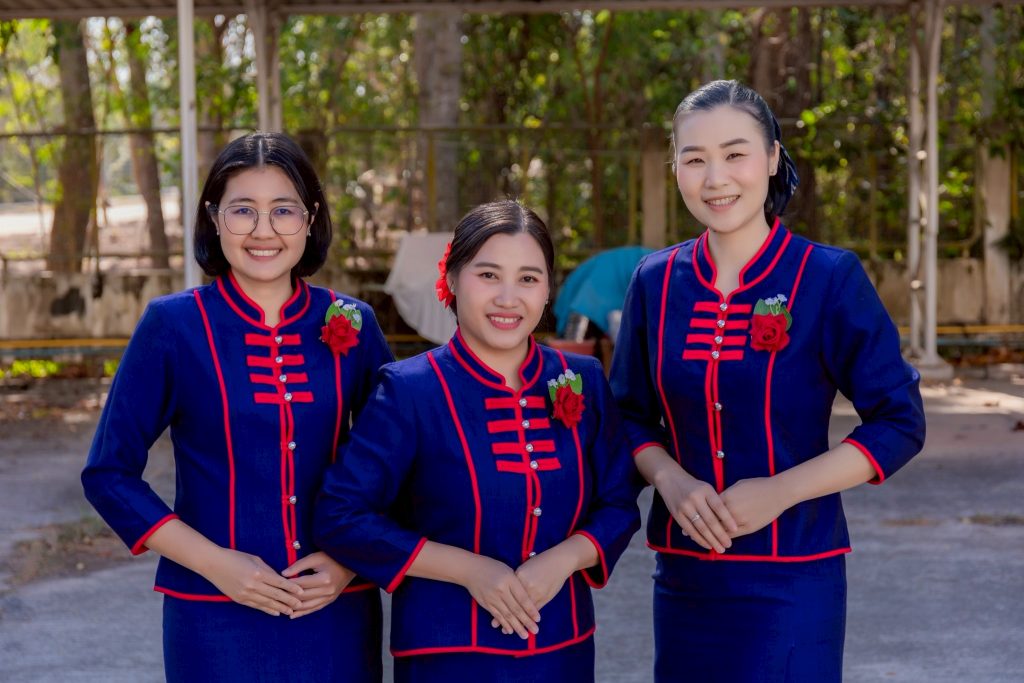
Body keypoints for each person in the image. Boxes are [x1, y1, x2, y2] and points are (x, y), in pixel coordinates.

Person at [609, 80, 927, 682]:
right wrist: (670, 480)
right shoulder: (655, 281)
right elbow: (626, 415)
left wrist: (780, 491)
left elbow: (899, 421)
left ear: (773, 157)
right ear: (675, 167)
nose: (715, 179)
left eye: (735, 154)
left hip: (796, 573)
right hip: (685, 576)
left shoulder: (827, 277)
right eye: (694, 159)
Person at [81, 132, 392, 682]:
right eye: (243, 209)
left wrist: (348, 561)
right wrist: (218, 565)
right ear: (214, 218)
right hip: (211, 615)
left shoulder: (354, 323)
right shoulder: (172, 326)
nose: (263, 230)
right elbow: (108, 473)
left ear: (310, 220)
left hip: (335, 609)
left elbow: (399, 462)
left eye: (284, 210)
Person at [314, 200, 640, 682]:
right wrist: (470, 570)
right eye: (488, 275)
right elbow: (341, 515)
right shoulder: (409, 389)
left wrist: (562, 560)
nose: (508, 298)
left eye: (528, 278)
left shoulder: (583, 378)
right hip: (447, 654)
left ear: (547, 290)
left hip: (561, 649)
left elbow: (619, 503)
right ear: (451, 278)